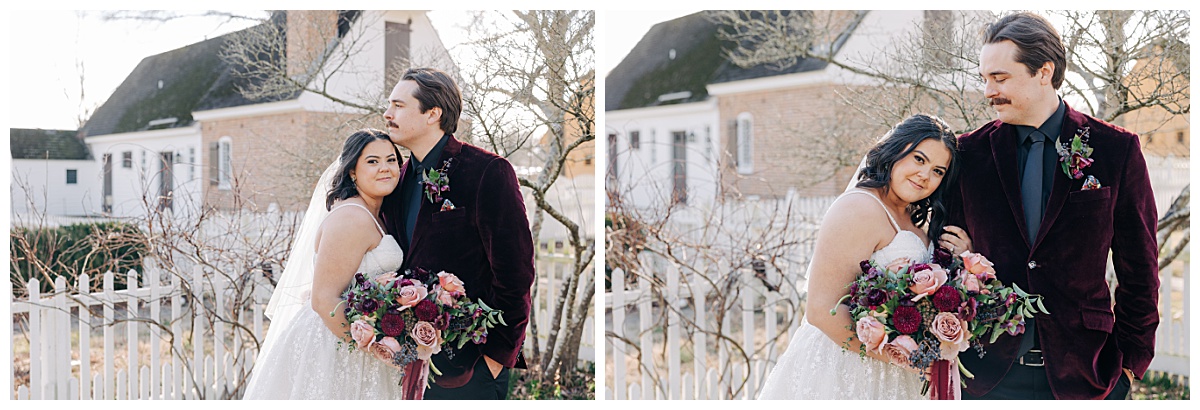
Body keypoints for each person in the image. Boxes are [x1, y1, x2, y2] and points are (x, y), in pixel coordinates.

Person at [944, 12, 1159, 399]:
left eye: (1000, 77)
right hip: (987, 376)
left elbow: (1140, 267)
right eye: (984, 78)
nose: (988, 91)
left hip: (1088, 376)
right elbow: (942, 256)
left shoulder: (1116, 150)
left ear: (1044, 72)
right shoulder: (968, 153)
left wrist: (1129, 363)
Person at [758, 114, 965, 399]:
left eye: (938, 171)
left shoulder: (914, 218)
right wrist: (899, 356)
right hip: (850, 369)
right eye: (919, 159)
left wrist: (961, 256)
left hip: (902, 372)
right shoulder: (859, 208)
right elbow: (820, 310)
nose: (925, 175)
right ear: (896, 151)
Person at [380, 67, 535, 400]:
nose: (387, 113)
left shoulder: (487, 172)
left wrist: (496, 357)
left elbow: (516, 272)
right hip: (406, 365)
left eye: (399, 105)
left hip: (471, 368)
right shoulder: (393, 182)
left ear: (432, 113)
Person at [244, 128, 406, 399]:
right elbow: (323, 299)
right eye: (372, 161)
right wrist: (373, 348)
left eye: (391, 160)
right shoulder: (351, 218)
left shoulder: (373, 213)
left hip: (357, 339)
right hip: (335, 346)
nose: (385, 168)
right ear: (352, 172)